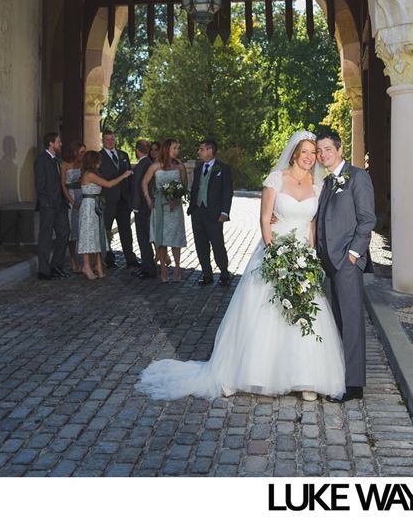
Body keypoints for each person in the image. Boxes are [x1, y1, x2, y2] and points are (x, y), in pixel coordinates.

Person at [136, 131, 346, 400]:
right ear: (294, 153)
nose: (309, 157)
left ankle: (305, 378)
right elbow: (265, 219)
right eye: (304, 151)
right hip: (275, 252)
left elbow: (312, 224)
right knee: (265, 312)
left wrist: (310, 256)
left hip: (303, 255)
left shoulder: (318, 185)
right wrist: (274, 254)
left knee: (303, 314)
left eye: (313, 153)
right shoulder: (275, 179)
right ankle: (249, 374)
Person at [315, 130, 376, 403]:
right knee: (336, 321)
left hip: (347, 262)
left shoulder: (357, 177)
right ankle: (339, 373)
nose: (323, 155)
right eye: (320, 151)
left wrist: (353, 254)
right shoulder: (328, 182)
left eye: (327, 149)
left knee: (351, 323)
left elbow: (367, 219)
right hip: (328, 262)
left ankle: (354, 385)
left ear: (340, 150)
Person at [77, 150, 132, 280]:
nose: (100, 162)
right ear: (93, 161)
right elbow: (108, 184)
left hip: (95, 207)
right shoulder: (89, 174)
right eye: (99, 160)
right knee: (88, 236)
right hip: (89, 208)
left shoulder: (94, 173)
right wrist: (123, 175)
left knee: (97, 236)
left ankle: (98, 266)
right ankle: (86, 266)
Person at [187, 139, 233, 286]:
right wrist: (192, 207)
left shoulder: (223, 169)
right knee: (200, 245)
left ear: (210, 150)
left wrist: (225, 212)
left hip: (214, 213)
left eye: (201, 149)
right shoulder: (198, 169)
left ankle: (224, 273)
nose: (199, 152)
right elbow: (195, 188)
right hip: (197, 212)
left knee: (217, 244)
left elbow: (227, 192)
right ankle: (207, 274)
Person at [142, 138, 188, 282]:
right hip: (159, 207)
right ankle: (163, 268)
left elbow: (184, 186)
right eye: (174, 148)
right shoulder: (155, 166)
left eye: (177, 148)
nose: (176, 151)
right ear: (167, 149)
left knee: (175, 239)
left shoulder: (180, 166)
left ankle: (177, 268)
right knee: (161, 239)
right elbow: (144, 182)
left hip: (175, 208)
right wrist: (148, 199)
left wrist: (176, 198)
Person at [33, 132, 70, 281]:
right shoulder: (41, 160)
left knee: (65, 232)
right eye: (58, 142)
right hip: (48, 205)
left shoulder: (57, 160)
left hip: (60, 204)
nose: (60, 144)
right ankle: (43, 270)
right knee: (46, 237)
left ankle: (56, 266)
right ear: (51, 143)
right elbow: (40, 184)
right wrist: (46, 202)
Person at [98, 130, 137, 268]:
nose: (110, 142)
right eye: (107, 139)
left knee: (126, 230)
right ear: (103, 141)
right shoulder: (99, 157)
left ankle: (130, 258)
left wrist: (130, 196)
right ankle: (108, 258)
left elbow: (130, 177)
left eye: (112, 139)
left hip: (124, 200)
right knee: (107, 230)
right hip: (108, 199)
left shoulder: (123, 155)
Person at [129, 140, 156, 279]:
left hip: (142, 206)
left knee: (143, 238)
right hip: (145, 205)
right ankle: (146, 266)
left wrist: (135, 206)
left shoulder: (142, 165)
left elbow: (138, 187)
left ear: (136, 150)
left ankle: (148, 269)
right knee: (144, 237)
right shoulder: (148, 163)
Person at [60, 141, 85, 274]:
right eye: (81, 152)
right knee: (72, 229)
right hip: (70, 197)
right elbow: (63, 185)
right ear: (75, 151)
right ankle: (72, 259)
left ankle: (85, 261)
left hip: (82, 195)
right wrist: (71, 200)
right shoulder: (65, 164)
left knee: (81, 227)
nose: (83, 154)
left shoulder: (83, 164)